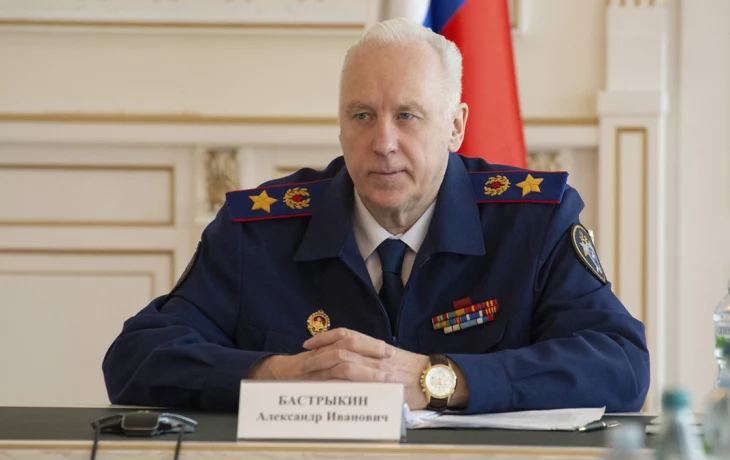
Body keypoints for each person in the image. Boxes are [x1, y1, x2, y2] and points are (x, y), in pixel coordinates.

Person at [102, 18, 650, 414]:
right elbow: (136, 358)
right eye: (362, 115)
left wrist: (439, 379)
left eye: (407, 116)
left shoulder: (532, 223)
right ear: (340, 126)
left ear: (456, 127)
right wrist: (278, 375)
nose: (383, 143)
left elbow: (620, 365)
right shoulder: (258, 232)